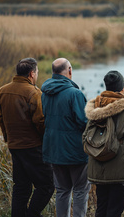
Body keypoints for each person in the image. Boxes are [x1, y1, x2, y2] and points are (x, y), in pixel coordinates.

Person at [0, 57, 54, 217]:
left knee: (21, 187)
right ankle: (32, 214)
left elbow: (1, 119)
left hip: (15, 146)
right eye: (36, 73)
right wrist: (46, 142)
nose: (36, 76)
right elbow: (40, 121)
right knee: (47, 185)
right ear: (31, 74)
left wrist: (9, 138)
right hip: (33, 147)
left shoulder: (2, 91)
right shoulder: (33, 92)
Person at [84, 70, 124, 217]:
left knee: (101, 209)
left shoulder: (96, 107)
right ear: (122, 88)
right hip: (120, 170)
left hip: (99, 167)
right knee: (114, 211)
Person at [41, 58, 90, 217]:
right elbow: (83, 122)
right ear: (69, 70)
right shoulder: (74, 93)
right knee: (80, 190)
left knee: (62, 190)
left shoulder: (45, 92)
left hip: (53, 149)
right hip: (75, 151)